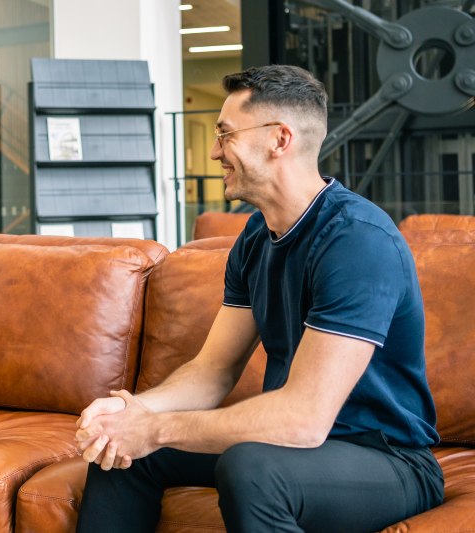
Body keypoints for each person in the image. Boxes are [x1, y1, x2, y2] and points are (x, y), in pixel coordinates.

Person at [74, 65, 444, 533]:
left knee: (251, 467)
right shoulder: (256, 237)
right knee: (120, 453)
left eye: (225, 135)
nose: (213, 152)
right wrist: (135, 415)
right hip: (294, 449)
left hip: (386, 458)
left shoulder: (356, 240)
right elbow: (212, 372)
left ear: (279, 139)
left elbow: (303, 419)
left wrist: (155, 429)